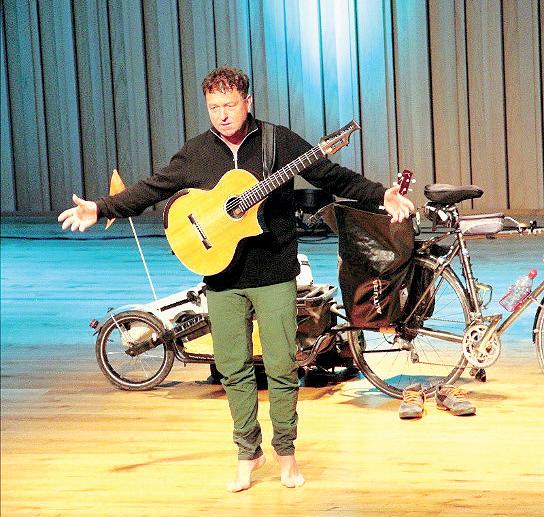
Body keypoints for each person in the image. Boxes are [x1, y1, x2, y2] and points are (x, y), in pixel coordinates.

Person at [58, 66, 414, 492]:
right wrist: (101, 208)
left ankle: (286, 453)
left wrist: (381, 193)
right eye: (214, 108)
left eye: (229, 105)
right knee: (232, 369)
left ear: (248, 102)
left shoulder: (278, 142)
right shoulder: (196, 153)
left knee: (282, 367)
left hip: (274, 272)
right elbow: (151, 189)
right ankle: (248, 452)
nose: (223, 115)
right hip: (222, 277)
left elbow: (333, 176)